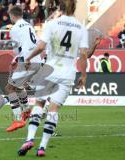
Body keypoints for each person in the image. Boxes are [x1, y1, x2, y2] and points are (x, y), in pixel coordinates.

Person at [18, 0, 88, 156]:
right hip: (67, 74)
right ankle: (42, 147)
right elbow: (83, 55)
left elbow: (41, 47)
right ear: (75, 7)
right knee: (53, 109)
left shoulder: (51, 24)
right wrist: (83, 75)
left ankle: (29, 139)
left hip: (49, 70)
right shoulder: (82, 28)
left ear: (59, 8)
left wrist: (29, 58)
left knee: (39, 103)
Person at [0, 6, 42, 132]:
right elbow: (37, 43)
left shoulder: (15, 29)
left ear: (12, 16)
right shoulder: (29, 26)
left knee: (9, 88)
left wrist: (19, 60)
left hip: (27, 61)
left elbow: (18, 48)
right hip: (36, 59)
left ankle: (18, 119)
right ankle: (27, 111)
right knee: (18, 87)